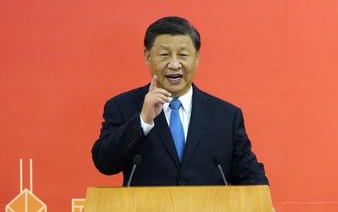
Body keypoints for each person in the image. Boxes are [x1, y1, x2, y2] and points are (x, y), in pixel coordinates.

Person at [91, 16, 268, 186]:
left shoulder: (226, 116)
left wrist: (261, 204)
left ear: (197, 58)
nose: (174, 64)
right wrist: (143, 120)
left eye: (183, 55)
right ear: (147, 57)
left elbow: (249, 174)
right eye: (164, 55)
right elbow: (105, 163)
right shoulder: (123, 106)